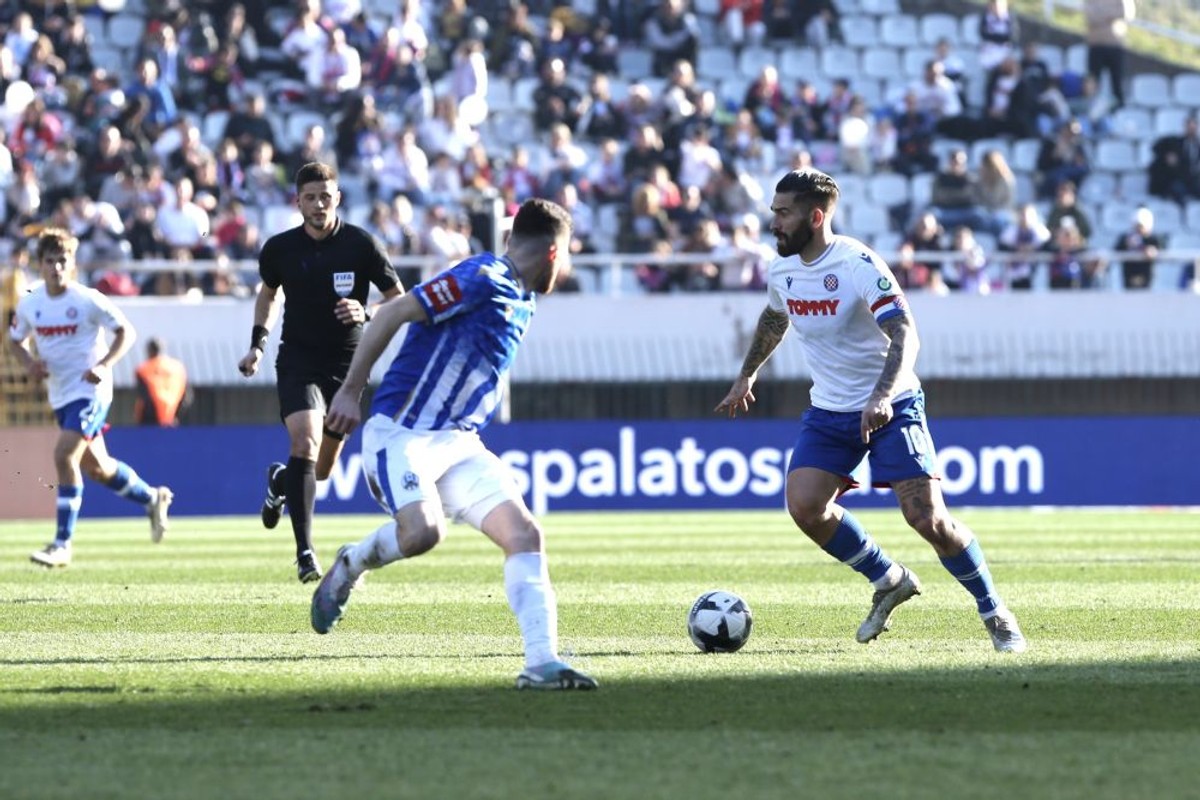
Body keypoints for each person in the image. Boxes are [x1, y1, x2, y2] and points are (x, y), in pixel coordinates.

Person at [714, 169, 1027, 654]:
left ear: (815, 217)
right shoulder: (783, 269)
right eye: (773, 212)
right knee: (805, 506)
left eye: (783, 213)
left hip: (892, 403)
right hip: (829, 409)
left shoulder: (858, 263)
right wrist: (747, 373)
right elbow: (777, 316)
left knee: (927, 519)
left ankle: (996, 613)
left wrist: (882, 395)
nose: (773, 222)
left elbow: (906, 332)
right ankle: (888, 578)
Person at [310, 198, 598, 691]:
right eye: (568, 256)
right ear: (554, 253)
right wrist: (352, 390)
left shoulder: (523, 297)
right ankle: (352, 563)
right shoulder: (482, 277)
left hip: (460, 443)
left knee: (525, 536)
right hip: (401, 434)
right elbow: (392, 313)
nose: (568, 268)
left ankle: (542, 661)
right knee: (424, 532)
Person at [237, 162, 403, 583]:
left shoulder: (362, 245)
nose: (317, 204)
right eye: (309, 197)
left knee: (322, 469)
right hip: (298, 361)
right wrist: (257, 345)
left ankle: (280, 481)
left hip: (347, 370)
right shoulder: (279, 249)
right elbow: (268, 294)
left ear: (338, 198)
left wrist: (366, 311)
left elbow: (398, 300)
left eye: (325, 196)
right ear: (298, 201)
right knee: (305, 441)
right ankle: (305, 553)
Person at [7, 228, 173, 568]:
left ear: (72, 264)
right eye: (49, 261)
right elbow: (14, 340)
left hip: (91, 390)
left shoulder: (87, 300)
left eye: (62, 261)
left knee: (64, 455)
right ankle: (152, 497)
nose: (56, 268)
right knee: (97, 468)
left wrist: (104, 364)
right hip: (60, 394)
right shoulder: (31, 304)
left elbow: (126, 331)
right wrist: (29, 364)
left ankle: (62, 544)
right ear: (40, 265)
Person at [1085, 0, 1134, 109]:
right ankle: (1092, 110)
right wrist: (1111, 15)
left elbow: (1126, 14)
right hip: (1096, 45)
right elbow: (1090, 16)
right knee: (1093, 83)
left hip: (1116, 46)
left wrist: (1101, 13)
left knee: (1117, 83)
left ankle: (1119, 110)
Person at [134, 336, 191, 426]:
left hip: (150, 419)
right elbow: (187, 396)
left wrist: (140, 419)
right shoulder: (178, 367)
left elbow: (143, 397)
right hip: (172, 417)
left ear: (149, 351)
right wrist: (176, 415)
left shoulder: (143, 369)